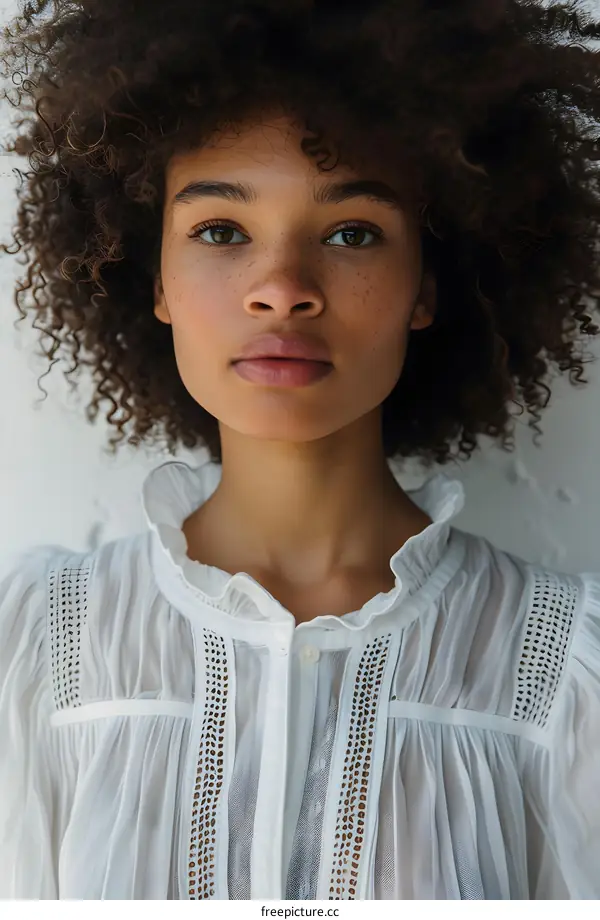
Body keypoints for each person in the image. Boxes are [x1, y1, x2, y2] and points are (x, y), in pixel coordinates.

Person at [0, 0, 599, 901]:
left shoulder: (565, 671)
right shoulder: (35, 646)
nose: (282, 289)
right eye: (220, 232)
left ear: (426, 285)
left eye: (352, 232)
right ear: (153, 277)